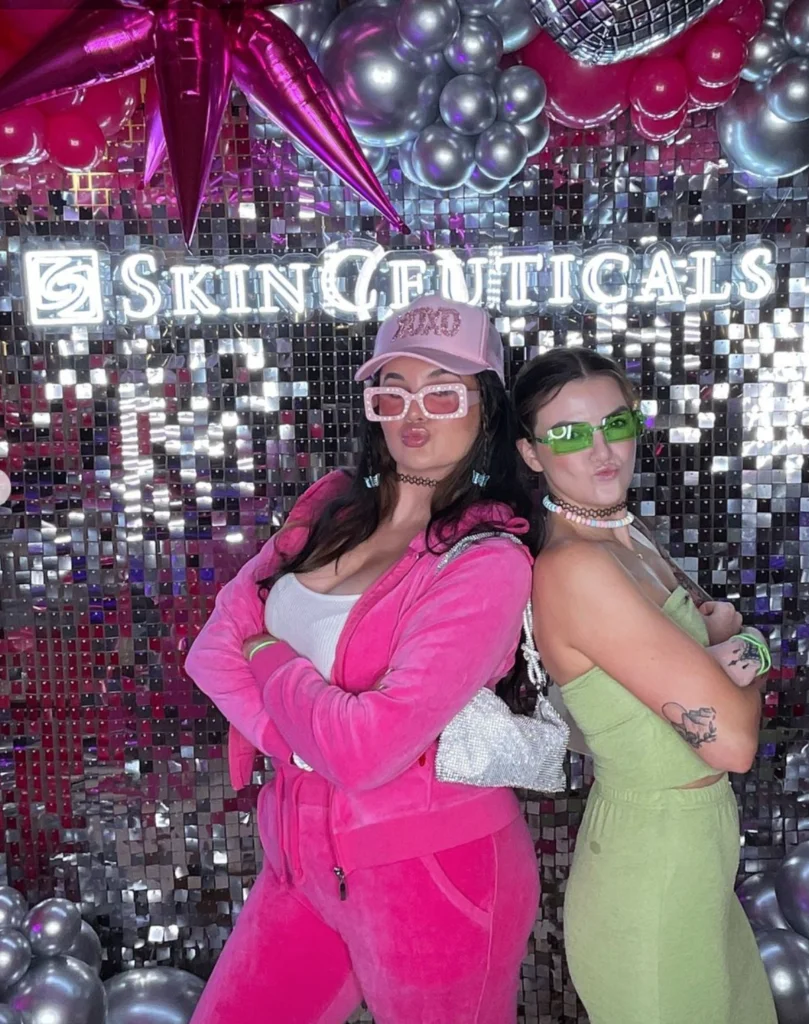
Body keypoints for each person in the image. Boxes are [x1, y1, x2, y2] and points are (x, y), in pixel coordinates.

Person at [186, 294, 541, 1024]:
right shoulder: (332, 509)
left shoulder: (486, 561)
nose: (416, 413)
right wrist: (301, 744)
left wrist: (268, 653)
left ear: (486, 409)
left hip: (432, 874)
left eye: (443, 393)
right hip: (299, 860)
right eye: (393, 392)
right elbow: (211, 648)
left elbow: (367, 747)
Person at [512, 347, 777, 1024]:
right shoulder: (577, 567)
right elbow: (733, 741)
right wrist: (750, 645)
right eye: (568, 434)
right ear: (531, 454)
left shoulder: (625, 534)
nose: (601, 451)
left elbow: (718, 641)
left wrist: (732, 646)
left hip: (697, 852)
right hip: (650, 867)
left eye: (616, 424)